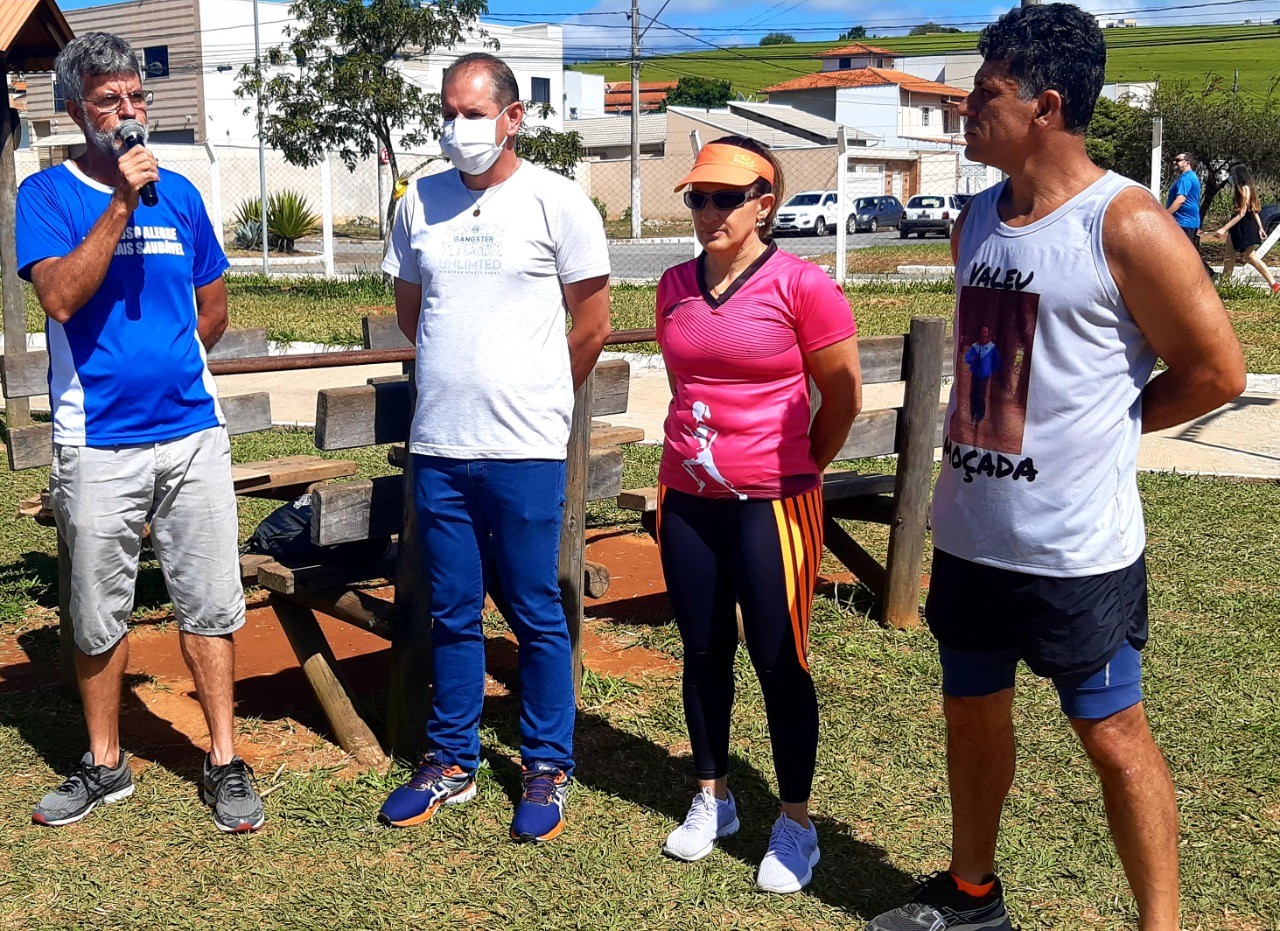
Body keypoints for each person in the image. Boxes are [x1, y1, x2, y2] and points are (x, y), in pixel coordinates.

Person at [866, 6, 1245, 931]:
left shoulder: (1127, 222)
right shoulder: (976, 222)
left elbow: (1218, 369)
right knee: (971, 712)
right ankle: (972, 896)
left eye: (984, 91)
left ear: (1045, 105)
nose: (965, 105)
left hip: (1077, 554)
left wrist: (1113, 425)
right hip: (970, 535)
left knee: (1114, 736)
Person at [16, 33, 264, 833]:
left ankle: (224, 758)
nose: (128, 115)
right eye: (108, 102)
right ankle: (104, 762)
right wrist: (120, 201)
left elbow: (212, 305)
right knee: (96, 610)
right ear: (74, 111)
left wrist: (169, 361)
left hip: (193, 432)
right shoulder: (46, 196)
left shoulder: (182, 194)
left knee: (211, 603)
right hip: (97, 442)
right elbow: (57, 297)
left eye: (135, 99)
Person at [377, 52, 611, 842]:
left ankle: (546, 764)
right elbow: (416, 315)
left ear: (514, 117)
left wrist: (539, 399)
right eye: (448, 110)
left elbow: (593, 323)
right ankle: (452, 760)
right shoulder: (419, 202)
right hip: (440, 445)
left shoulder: (559, 201)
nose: (458, 127)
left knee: (533, 607)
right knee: (450, 608)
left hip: (526, 448)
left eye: (474, 112)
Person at [655, 137, 862, 893]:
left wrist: (797, 465)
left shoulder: (803, 285)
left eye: (725, 198)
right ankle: (713, 797)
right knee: (703, 651)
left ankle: (796, 823)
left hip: (773, 504)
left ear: (765, 203)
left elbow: (841, 395)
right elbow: (685, 385)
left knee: (780, 659)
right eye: (697, 198)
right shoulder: (674, 283)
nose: (707, 211)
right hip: (686, 499)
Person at [1213, 163, 1280, 294]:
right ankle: (1224, 285)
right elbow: (1254, 210)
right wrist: (1260, 227)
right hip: (1238, 224)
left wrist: (1223, 228)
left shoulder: (1244, 188)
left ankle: (1274, 284)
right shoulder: (1243, 188)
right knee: (1229, 255)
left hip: (1243, 225)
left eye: (1231, 173)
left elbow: (1242, 213)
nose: (1230, 176)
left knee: (1250, 256)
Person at [1165, 152, 1216, 280]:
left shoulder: (1186, 178)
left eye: (1178, 160)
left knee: (1185, 255)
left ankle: (1206, 277)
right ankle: (1206, 276)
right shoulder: (1190, 177)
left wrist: (1165, 215)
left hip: (1183, 222)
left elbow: (1180, 199)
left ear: (1187, 162)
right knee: (1189, 254)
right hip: (1188, 222)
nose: (1175, 163)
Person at [964, 325, 999, 427]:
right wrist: (971, 359)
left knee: (981, 395)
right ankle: (972, 415)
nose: (983, 334)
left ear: (988, 334)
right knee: (973, 395)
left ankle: (979, 417)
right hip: (975, 374)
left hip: (985, 375)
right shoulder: (975, 346)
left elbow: (996, 360)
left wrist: (994, 370)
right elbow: (967, 357)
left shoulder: (992, 348)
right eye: (982, 332)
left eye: (985, 332)